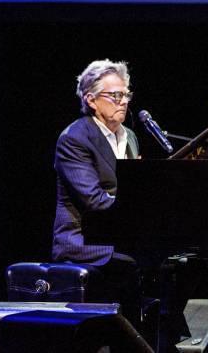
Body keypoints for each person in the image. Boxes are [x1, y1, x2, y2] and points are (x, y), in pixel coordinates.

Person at [51, 59, 141, 324]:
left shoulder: (130, 137)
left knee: (182, 263)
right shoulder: (75, 138)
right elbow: (94, 201)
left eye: (126, 94)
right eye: (115, 95)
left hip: (121, 238)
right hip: (83, 242)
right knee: (140, 266)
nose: (124, 101)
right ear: (91, 100)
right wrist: (142, 212)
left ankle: (156, 338)